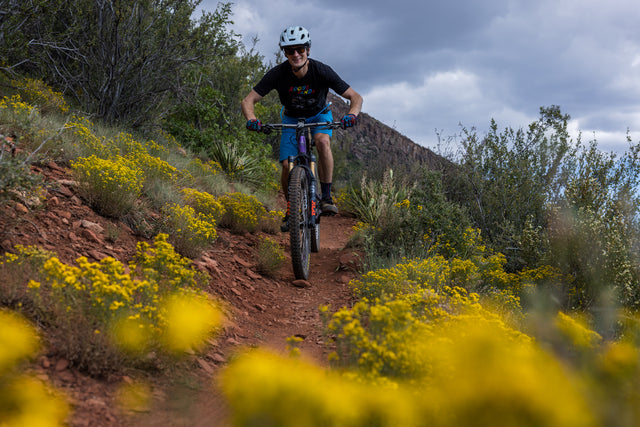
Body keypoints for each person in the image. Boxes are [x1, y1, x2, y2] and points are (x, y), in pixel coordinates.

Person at [241, 25, 363, 230]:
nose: (296, 54)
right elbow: (248, 101)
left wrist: (352, 114)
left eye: (300, 49)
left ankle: (326, 197)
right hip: (291, 118)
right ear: (285, 53)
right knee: (288, 165)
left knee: (322, 141)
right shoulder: (278, 74)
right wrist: (252, 119)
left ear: (308, 49)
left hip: (319, 114)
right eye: (290, 51)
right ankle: (291, 207)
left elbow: (355, 97)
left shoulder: (321, 70)